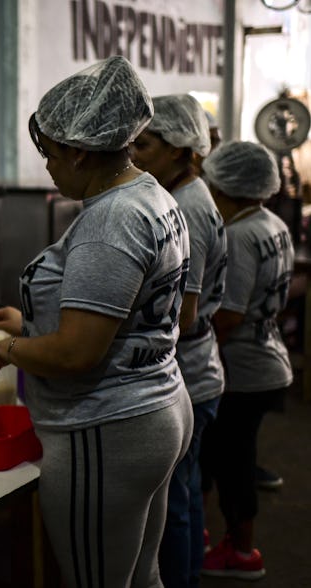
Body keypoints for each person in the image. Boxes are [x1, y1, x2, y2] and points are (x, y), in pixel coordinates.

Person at [0, 56, 193, 588]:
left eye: (52, 154)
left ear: (81, 151)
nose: (49, 167)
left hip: (105, 432)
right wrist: (30, 322)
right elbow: (127, 310)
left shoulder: (110, 220)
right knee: (140, 574)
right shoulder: (151, 195)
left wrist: (6, 351)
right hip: (155, 405)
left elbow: (77, 353)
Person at [130, 94, 228, 588]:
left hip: (189, 373)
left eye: (144, 144)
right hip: (201, 370)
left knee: (176, 506)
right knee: (186, 496)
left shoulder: (185, 206)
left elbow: (182, 318)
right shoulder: (195, 194)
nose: (133, 154)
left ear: (177, 149)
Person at [199, 141, 294, 580]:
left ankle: (242, 553)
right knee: (233, 458)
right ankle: (231, 543)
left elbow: (230, 315)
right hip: (270, 358)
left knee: (231, 466)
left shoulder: (237, 236)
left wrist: (185, 325)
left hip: (244, 370)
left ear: (226, 188)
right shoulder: (272, 223)